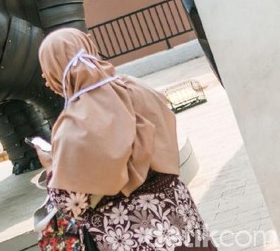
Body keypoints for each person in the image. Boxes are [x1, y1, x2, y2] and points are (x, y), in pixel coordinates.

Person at [35, 28, 216, 250]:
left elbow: (71, 204)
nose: (45, 79)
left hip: (125, 230)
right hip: (175, 213)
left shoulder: (72, 125)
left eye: (45, 71)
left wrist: (52, 166)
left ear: (55, 70)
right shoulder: (134, 87)